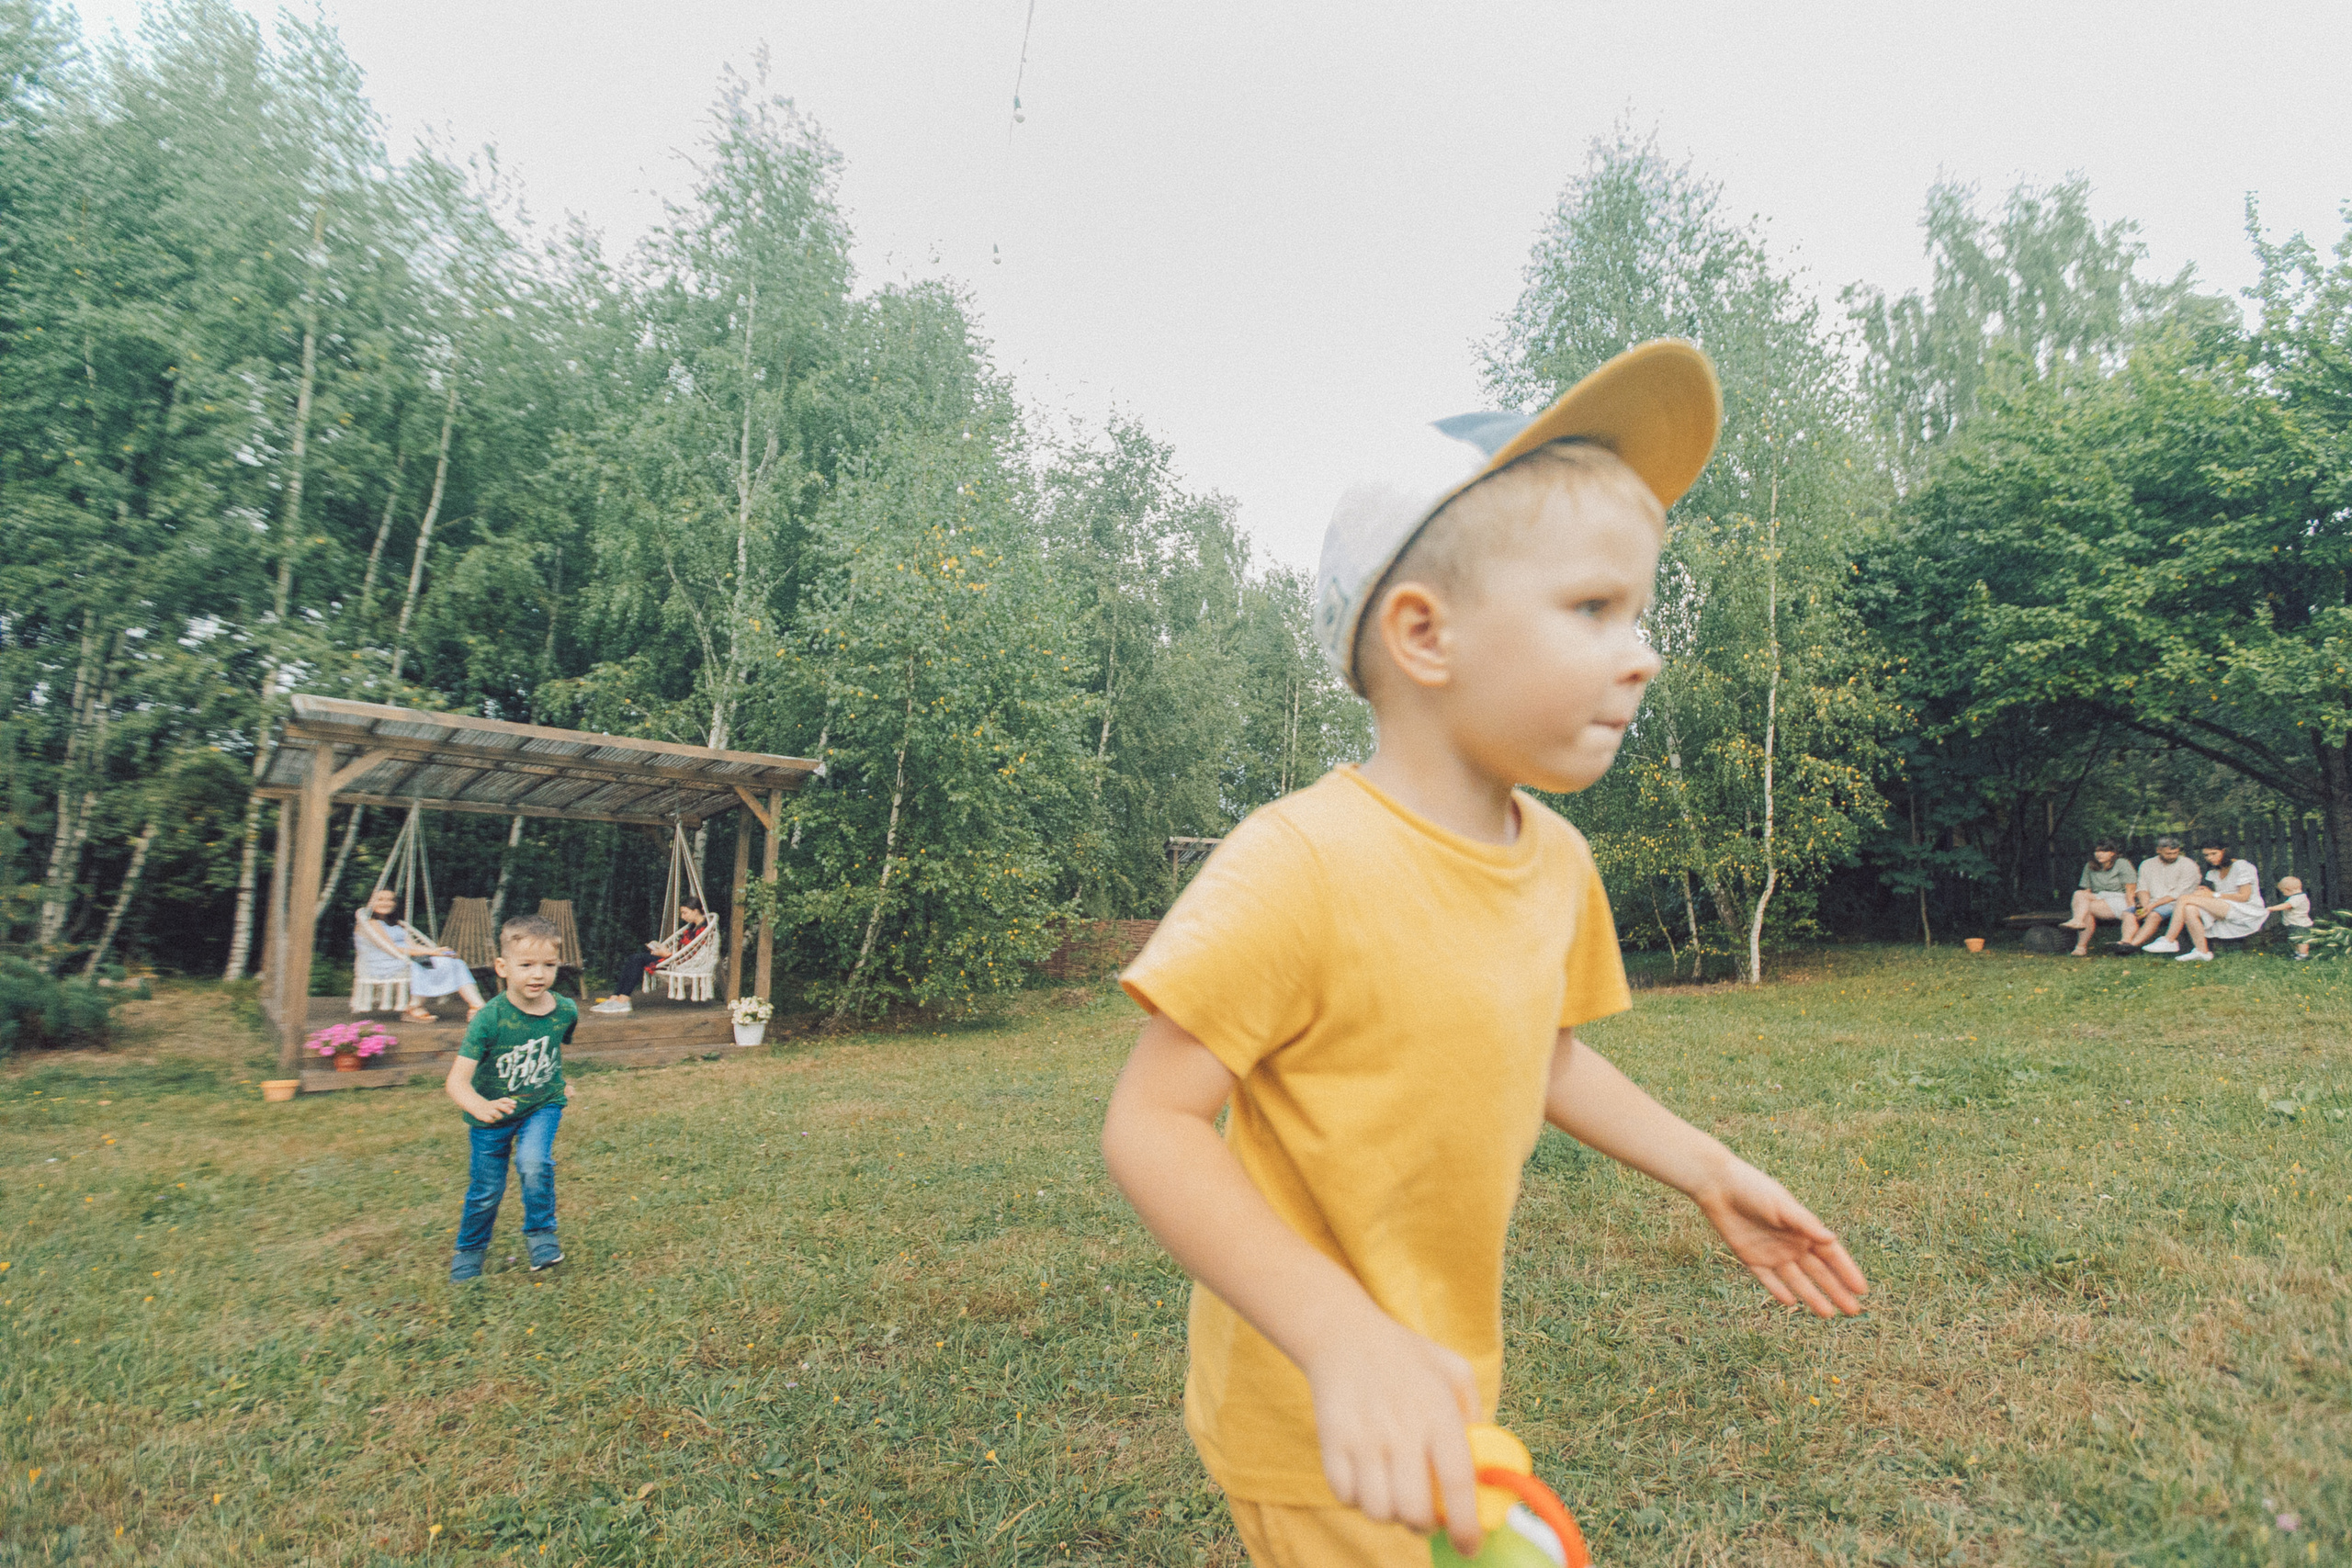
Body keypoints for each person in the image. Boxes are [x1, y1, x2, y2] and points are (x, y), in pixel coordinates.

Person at [1099, 342, 1868, 1568]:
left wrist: (1706, 1166)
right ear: (1424, 632)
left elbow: (1542, 1055)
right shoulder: (1297, 861)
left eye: (1641, 610)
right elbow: (1151, 1120)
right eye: (1592, 608)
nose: (1644, 651)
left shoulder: (1555, 860)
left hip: (1440, 1381)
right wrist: (1341, 1336)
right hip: (1322, 1411)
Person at [446, 911, 576, 1281]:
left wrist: (556, 1080)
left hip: (542, 1105)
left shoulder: (565, 1010)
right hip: (490, 1116)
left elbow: (550, 1048)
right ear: (502, 967)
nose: (538, 974)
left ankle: (541, 1235)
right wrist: (480, 1106)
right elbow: (456, 1082)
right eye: (527, 965)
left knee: (534, 1163)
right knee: (486, 1190)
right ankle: (470, 1250)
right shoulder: (489, 1018)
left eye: (548, 965)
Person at [355, 886, 486, 1022]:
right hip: (385, 961)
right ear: (370, 901)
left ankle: (477, 1006)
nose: (386, 903)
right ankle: (413, 1007)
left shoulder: (397, 924)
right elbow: (391, 948)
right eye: (380, 899)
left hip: (406, 956)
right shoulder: (370, 923)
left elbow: (412, 945)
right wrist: (432, 952)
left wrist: (439, 951)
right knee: (424, 964)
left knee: (456, 963)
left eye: (390, 899)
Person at [2141, 839, 2267, 962]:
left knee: (2185, 898)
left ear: (2224, 851)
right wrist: (2206, 892)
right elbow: (2222, 893)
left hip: (2246, 908)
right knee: (2190, 908)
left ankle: (2169, 939)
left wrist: (2213, 895)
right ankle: (2202, 951)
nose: (2210, 858)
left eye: (2214, 853)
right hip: (2226, 905)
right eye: (2206, 855)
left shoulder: (2241, 866)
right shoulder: (2214, 872)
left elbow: (2244, 897)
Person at [594, 897, 716, 1014]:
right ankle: (615, 997)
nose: (682, 917)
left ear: (695, 911)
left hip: (682, 964)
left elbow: (695, 954)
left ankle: (624, 999)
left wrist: (668, 954)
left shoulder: (704, 929)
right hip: (674, 959)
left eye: (685, 913)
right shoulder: (692, 927)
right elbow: (684, 949)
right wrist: (663, 951)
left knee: (638, 959)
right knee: (634, 958)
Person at [2120, 837, 2202, 951]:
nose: (2173, 856)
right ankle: (2125, 941)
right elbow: (2142, 888)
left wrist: (2151, 907)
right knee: (2128, 913)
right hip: (2151, 902)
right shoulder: (2147, 864)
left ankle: (2132, 945)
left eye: (2176, 853)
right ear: (2158, 850)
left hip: (2175, 903)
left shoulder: (2188, 865)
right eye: (2169, 854)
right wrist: (2145, 906)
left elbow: (2178, 894)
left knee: (2154, 915)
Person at [2061, 841, 2140, 954]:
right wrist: (2081, 906)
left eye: (2104, 851)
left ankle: (2080, 946)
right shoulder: (2090, 866)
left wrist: (2131, 908)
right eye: (2097, 851)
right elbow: (2087, 891)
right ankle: (2077, 922)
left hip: (2120, 898)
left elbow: (2131, 889)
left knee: (2087, 908)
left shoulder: (2122, 863)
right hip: (2100, 897)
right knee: (2078, 894)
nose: (2099, 854)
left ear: (2112, 853)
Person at [2267, 875, 2314, 960]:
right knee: (2294, 940)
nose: (2283, 893)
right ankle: (2298, 954)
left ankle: (2303, 955)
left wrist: (2272, 908)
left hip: (2300, 925)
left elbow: (2287, 906)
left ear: (2288, 889)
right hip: (2294, 924)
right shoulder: (2296, 897)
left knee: (2301, 940)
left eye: (2283, 891)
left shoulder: (2298, 898)